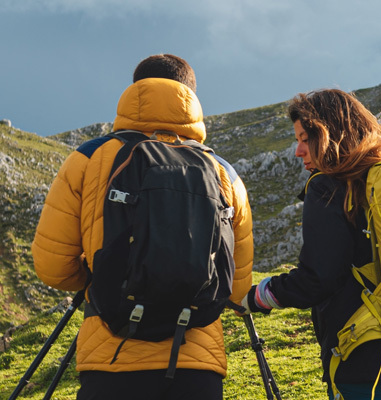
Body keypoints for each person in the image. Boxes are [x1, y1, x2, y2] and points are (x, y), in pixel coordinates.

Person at [31, 54, 254, 400]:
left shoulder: (89, 158)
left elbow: (52, 267)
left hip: (113, 359)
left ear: (135, 91)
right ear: (192, 96)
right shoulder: (224, 172)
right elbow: (236, 288)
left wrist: (104, 276)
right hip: (196, 365)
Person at [242, 88, 381, 400]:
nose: (298, 151)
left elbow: (319, 277)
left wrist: (258, 297)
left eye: (305, 138)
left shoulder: (329, 187)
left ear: (329, 134)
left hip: (365, 352)